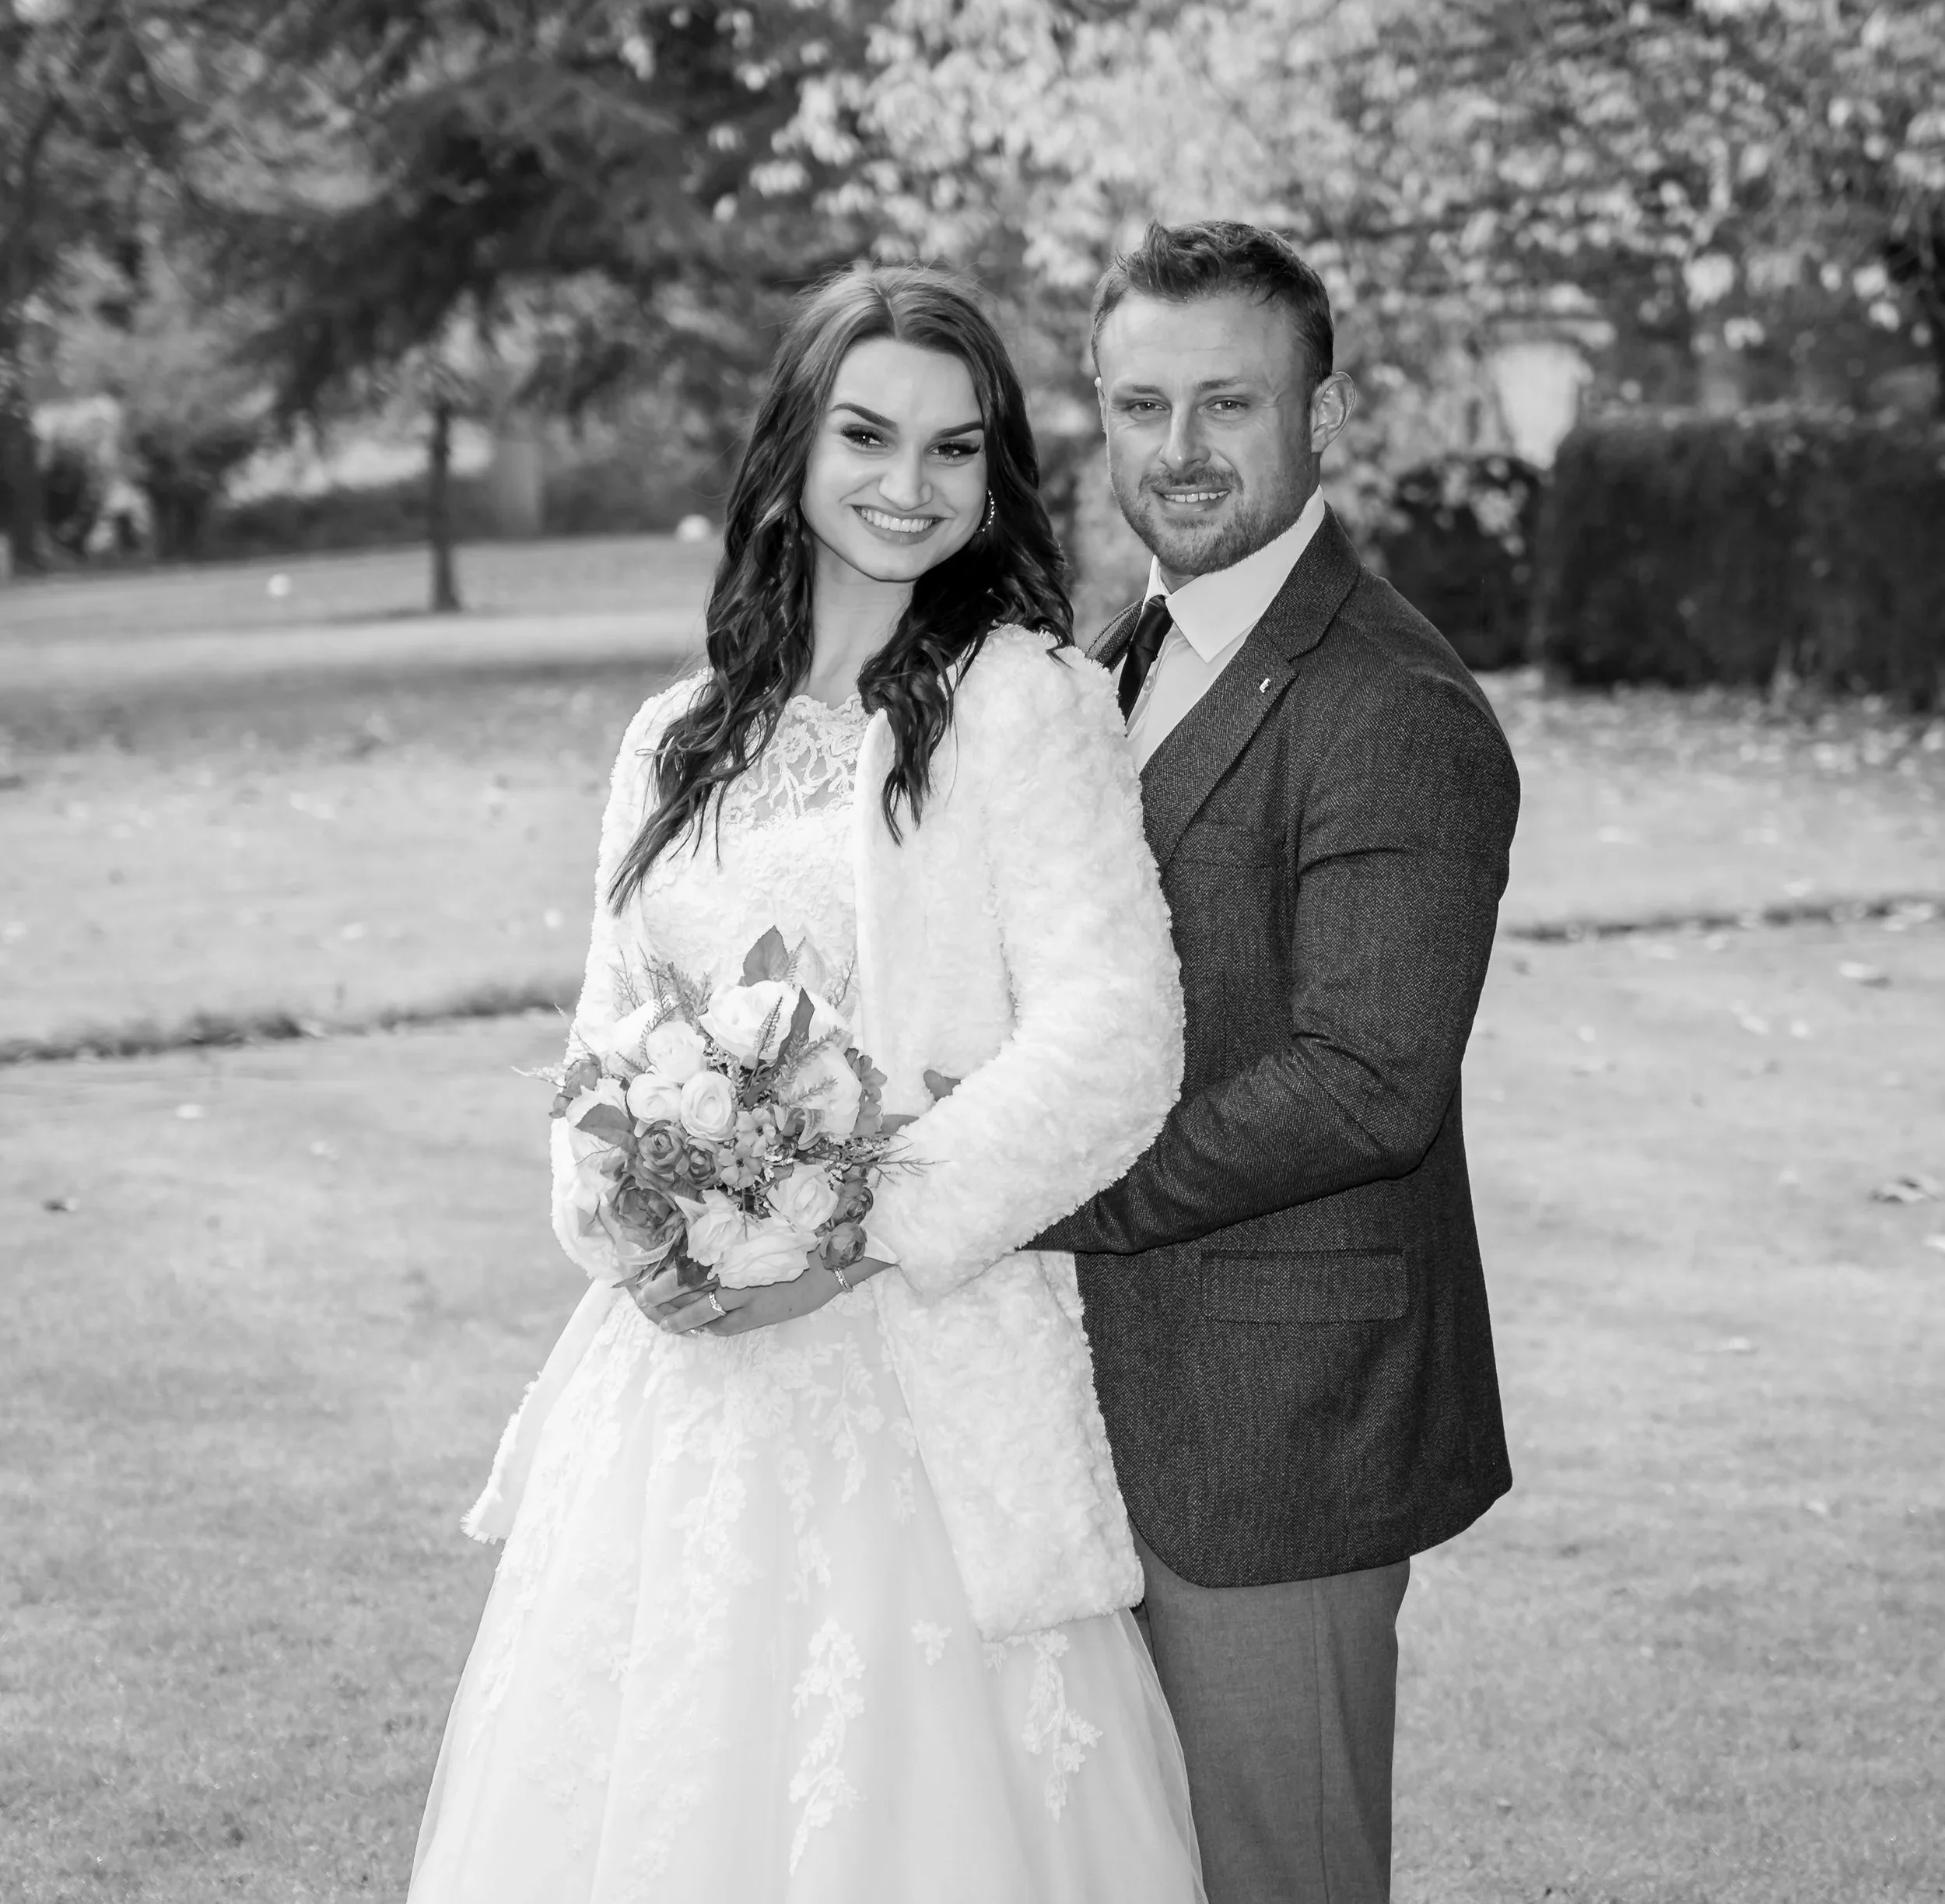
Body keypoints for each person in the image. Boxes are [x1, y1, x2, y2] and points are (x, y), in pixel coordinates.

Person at [408, 266, 1206, 1903]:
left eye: (951, 447)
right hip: (675, 1394)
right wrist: (648, 1235)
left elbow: (1115, 1036)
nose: (905, 484)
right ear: (789, 448)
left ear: (992, 481)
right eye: (864, 433)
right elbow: (599, 1045)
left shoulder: (1020, 706)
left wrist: (839, 1226)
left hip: (915, 1369)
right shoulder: (672, 738)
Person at [1030, 221, 1522, 1904]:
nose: (1177, 450)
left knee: (1277, 1877)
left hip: (1271, 1431)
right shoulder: (1115, 657)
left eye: (1226, 402)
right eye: (1139, 402)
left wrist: (1034, 1185)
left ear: (1321, 414)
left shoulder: (1389, 703)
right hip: (1083, 1414)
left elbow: (1363, 1076)